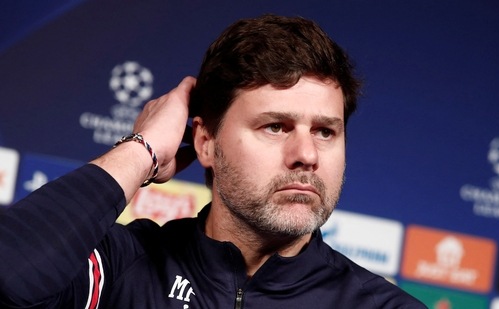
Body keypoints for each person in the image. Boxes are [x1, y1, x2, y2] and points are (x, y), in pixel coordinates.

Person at [0, 14, 426, 308]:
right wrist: (141, 149)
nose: (307, 156)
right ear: (205, 142)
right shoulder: (121, 266)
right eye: (275, 127)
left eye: (325, 131)